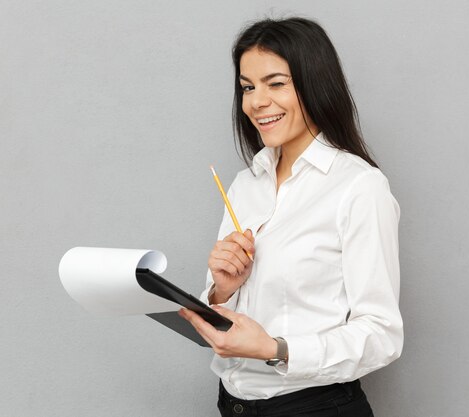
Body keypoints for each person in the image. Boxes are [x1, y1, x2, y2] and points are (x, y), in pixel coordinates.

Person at [179, 17, 402, 417]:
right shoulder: (246, 184)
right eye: (247, 87)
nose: (256, 102)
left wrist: (275, 349)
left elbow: (382, 335)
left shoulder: (358, 187)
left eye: (275, 83)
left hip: (315, 407)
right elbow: (224, 310)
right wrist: (221, 292)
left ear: (315, 84)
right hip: (232, 404)